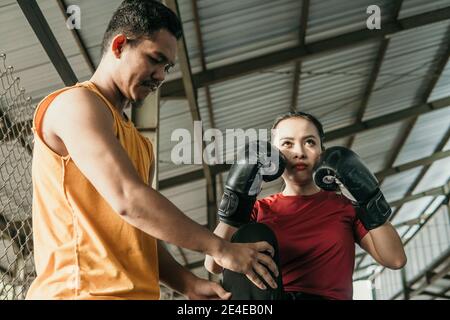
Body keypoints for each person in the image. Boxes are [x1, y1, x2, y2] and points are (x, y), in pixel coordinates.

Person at [26, 0, 279, 300]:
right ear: (119, 45)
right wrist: (220, 248)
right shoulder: (76, 104)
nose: (160, 76)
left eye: (167, 67)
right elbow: (129, 200)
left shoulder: (140, 143)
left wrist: (188, 284)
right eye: (154, 60)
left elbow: (139, 229)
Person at [205, 111, 407, 300]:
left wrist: (369, 198)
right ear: (274, 155)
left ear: (322, 151)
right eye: (287, 144)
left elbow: (395, 259)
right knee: (252, 233)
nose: (299, 152)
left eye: (309, 142)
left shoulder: (345, 206)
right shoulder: (258, 209)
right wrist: (236, 200)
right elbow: (213, 264)